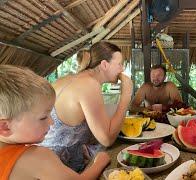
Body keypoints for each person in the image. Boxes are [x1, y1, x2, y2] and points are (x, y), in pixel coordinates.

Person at [0, 65, 109, 179]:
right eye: (43, 117)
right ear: (5, 127)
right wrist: (99, 162)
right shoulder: (37, 158)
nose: (52, 122)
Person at [40, 41, 133, 172]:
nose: (122, 69)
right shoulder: (89, 85)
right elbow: (107, 139)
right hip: (58, 168)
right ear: (104, 65)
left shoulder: (67, 79)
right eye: (119, 64)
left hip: (45, 158)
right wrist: (126, 96)